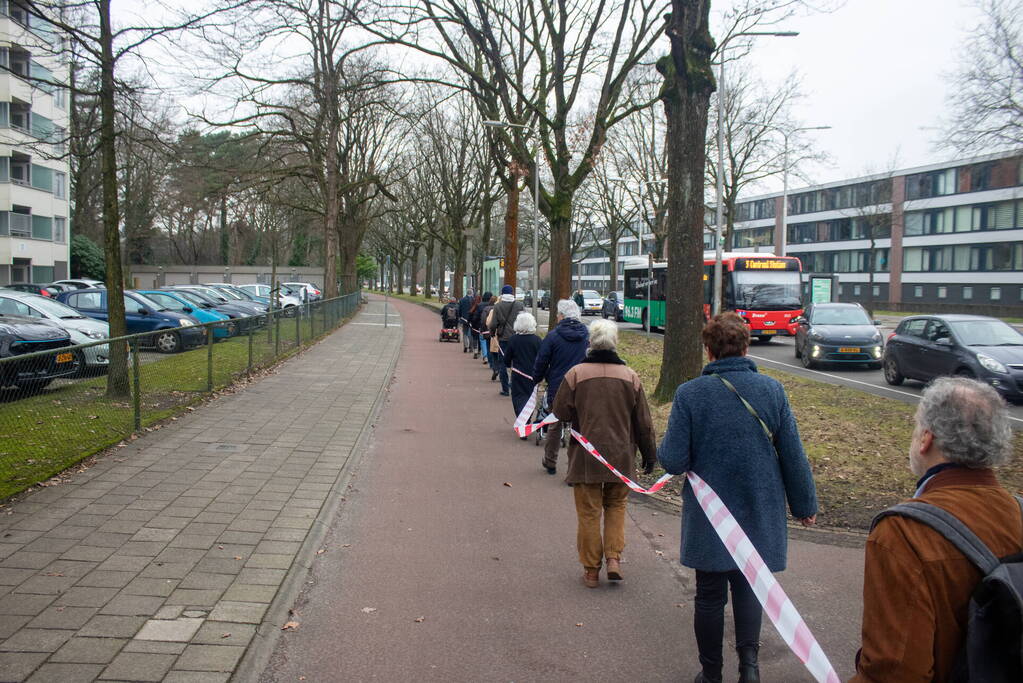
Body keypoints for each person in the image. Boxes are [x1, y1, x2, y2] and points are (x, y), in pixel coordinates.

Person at [657, 313, 818, 683]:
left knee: (709, 596)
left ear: (709, 351)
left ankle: (711, 674)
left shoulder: (690, 394)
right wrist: (804, 505)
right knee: (749, 586)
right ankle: (750, 670)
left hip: (711, 514)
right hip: (758, 507)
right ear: (745, 347)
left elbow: (673, 459)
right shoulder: (772, 390)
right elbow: (793, 454)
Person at [851, 377, 1021, 683]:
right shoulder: (1018, 511)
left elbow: (896, 673)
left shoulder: (904, 533)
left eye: (917, 427)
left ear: (926, 439)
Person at [552, 319, 656, 588]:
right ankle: (613, 558)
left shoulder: (575, 374)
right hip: (620, 456)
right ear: (615, 343)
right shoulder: (631, 377)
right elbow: (643, 421)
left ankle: (590, 570)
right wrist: (649, 454)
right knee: (616, 506)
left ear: (590, 343)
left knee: (588, 512)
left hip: (586, 456)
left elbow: (560, 412)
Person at [532, 299, 589, 474]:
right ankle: (574, 467)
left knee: (555, 423)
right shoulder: (587, 334)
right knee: (578, 426)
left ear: (562, 315)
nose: (556, 317)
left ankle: (550, 461)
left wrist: (537, 378)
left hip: (558, 386)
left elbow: (542, 360)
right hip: (582, 386)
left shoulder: (553, 336)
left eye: (557, 314)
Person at [503, 311, 542, 421]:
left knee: (517, 397)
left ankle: (522, 418)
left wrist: (507, 364)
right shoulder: (537, 340)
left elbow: (507, 358)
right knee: (530, 397)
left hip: (518, 374)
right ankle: (527, 416)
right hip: (533, 375)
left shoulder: (513, 340)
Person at [488, 285, 525, 397]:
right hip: (518, 338)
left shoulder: (498, 306)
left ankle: (505, 389)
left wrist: (492, 333)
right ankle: (514, 386)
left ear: (502, 293)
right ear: (512, 293)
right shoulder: (519, 305)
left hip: (503, 338)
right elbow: (525, 319)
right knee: (517, 363)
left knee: (503, 363)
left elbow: (493, 323)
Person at [457, 288, 474, 353]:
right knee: (471, 334)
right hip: (472, 320)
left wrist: (460, 317)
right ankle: (471, 347)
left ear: (466, 293)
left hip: (464, 319)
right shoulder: (474, 300)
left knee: (465, 333)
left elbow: (459, 310)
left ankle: (465, 346)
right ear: (472, 293)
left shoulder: (462, 300)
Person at [467, 294, 483, 359]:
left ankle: (475, 351)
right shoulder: (482, 307)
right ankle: (479, 351)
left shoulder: (472, 307)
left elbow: (469, 316)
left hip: (474, 326)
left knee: (475, 338)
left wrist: (469, 322)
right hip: (481, 326)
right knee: (480, 339)